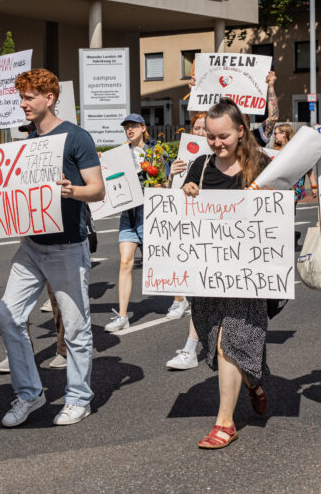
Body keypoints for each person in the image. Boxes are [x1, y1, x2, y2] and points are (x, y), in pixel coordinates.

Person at [0, 68, 105, 428]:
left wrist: (70, 191)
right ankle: (30, 394)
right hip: (31, 245)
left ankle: (78, 399)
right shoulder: (23, 139)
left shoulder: (76, 138)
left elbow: (97, 189)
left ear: (50, 98)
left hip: (67, 247)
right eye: (21, 97)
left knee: (75, 328)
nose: (23, 103)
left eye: (29, 97)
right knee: (8, 315)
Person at [178, 99, 272, 449]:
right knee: (216, 336)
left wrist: (267, 194)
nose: (217, 143)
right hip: (208, 271)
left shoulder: (259, 165)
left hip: (247, 272)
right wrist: (186, 192)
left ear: (240, 131)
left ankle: (225, 423)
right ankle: (253, 382)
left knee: (227, 340)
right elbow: (183, 216)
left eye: (224, 137)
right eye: (211, 137)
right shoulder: (200, 167)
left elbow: (281, 210)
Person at [106, 114, 169, 332]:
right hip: (128, 213)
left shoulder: (155, 151)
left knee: (161, 260)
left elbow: (164, 180)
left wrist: (159, 185)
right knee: (125, 262)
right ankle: (122, 315)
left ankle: (180, 299)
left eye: (133, 126)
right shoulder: (122, 153)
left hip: (150, 212)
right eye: (126, 127)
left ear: (143, 127)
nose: (129, 130)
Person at [164, 112, 208, 371]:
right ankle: (191, 348)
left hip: (217, 229)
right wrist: (173, 176)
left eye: (206, 128)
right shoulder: (185, 157)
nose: (201, 133)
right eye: (198, 128)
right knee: (201, 291)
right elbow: (172, 196)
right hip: (192, 227)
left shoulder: (218, 159)